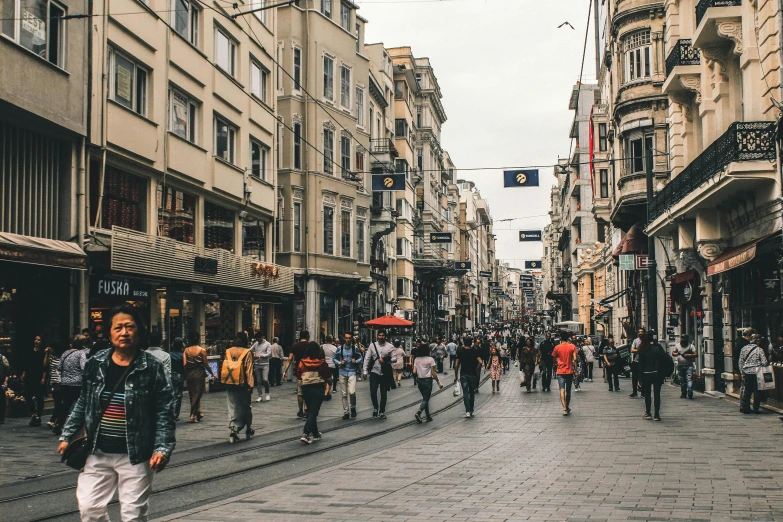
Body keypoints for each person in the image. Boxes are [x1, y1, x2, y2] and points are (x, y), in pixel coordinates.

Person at [58, 305, 175, 521]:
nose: (124, 332)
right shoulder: (96, 363)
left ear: (139, 331)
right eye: (118, 327)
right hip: (97, 451)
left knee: (133, 514)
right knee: (89, 507)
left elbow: (164, 411)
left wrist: (162, 448)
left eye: (129, 327)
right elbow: (84, 401)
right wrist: (67, 435)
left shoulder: (152, 367)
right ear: (109, 333)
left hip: (136, 454)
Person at [222, 332, 255, 442]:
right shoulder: (247, 352)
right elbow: (249, 370)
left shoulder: (228, 351)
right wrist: (251, 385)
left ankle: (233, 431)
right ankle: (248, 428)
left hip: (230, 382)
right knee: (246, 406)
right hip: (243, 384)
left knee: (232, 406)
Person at [297, 342, 331, 444]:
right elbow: (328, 377)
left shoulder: (302, 362)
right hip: (318, 387)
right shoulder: (321, 363)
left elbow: (299, 375)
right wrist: (329, 384)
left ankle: (315, 433)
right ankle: (305, 434)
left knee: (311, 410)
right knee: (313, 412)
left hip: (306, 387)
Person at [363, 330, 397, 419]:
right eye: (380, 335)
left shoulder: (390, 346)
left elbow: (394, 358)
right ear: (377, 336)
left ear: (385, 336)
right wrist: (365, 371)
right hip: (374, 371)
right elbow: (367, 358)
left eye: (383, 335)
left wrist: (385, 359)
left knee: (383, 393)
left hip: (385, 372)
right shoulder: (372, 345)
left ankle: (382, 411)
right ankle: (375, 407)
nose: (381, 337)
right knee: (373, 391)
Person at [57, 336, 89, 430]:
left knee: (65, 405)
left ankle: (59, 424)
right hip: (77, 383)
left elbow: (59, 367)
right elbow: (83, 368)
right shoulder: (81, 354)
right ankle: (82, 425)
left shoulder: (65, 353)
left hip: (65, 383)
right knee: (81, 405)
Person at [184, 331, 215, 423]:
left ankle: (198, 412)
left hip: (189, 373)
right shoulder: (202, 350)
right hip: (199, 373)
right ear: (198, 339)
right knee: (197, 394)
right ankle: (192, 415)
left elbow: (185, 363)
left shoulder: (186, 350)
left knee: (192, 394)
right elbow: (206, 365)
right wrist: (212, 373)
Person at [637, 332, 666, 421]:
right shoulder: (658, 347)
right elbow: (664, 359)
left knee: (647, 394)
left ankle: (648, 412)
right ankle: (657, 414)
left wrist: (639, 378)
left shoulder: (642, 348)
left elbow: (640, 364)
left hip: (646, 374)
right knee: (657, 394)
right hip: (657, 373)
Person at [334, 332, 363, 420]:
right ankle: (346, 412)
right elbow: (334, 358)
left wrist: (356, 361)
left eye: (349, 338)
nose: (348, 339)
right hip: (342, 372)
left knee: (352, 392)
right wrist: (340, 362)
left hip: (352, 372)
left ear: (351, 339)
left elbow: (361, 357)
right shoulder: (340, 348)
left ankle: (353, 407)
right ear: (344, 338)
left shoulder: (355, 348)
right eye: (346, 338)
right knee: (344, 394)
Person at [284, 331, 311, 419]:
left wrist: (285, 371)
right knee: (308, 391)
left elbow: (289, 359)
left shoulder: (295, 346)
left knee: (300, 392)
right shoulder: (311, 345)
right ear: (307, 336)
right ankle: (307, 409)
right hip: (309, 371)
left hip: (299, 371)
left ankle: (300, 410)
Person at [738, 333, 768, 414]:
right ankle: (755, 408)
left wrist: (742, 373)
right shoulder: (759, 349)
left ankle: (745, 407)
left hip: (747, 372)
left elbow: (741, 362)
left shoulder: (744, 349)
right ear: (757, 341)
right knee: (757, 390)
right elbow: (764, 362)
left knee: (747, 390)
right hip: (757, 372)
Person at [453, 337, 482, 418]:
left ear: (464, 343)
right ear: (471, 343)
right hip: (472, 374)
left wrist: (455, 375)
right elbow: (480, 361)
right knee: (471, 392)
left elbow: (456, 365)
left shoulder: (460, 351)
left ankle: (467, 411)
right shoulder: (474, 351)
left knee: (465, 393)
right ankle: (471, 409)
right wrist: (476, 369)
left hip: (463, 375)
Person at [413, 344, 443, 423]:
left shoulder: (416, 359)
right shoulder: (430, 359)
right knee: (426, 399)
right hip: (427, 380)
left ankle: (428, 416)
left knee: (425, 399)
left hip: (419, 380)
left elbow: (414, 371)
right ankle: (418, 412)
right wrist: (439, 382)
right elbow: (433, 373)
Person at [552, 332, 578, 416]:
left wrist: (555, 365)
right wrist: (576, 369)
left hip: (560, 371)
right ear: (568, 338)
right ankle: (567, 406)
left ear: (560, 338)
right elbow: (575, 359)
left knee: (561, 389)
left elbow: (554, 357)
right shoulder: (572, 347)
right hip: (569, 371)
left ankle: (564, 409)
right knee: (568, 390)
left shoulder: (557, 347)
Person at [671, 334, 697, 399]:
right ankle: (684, 393)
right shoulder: (677, 345)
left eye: (684, 338)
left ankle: (690, 391)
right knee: (682, 380)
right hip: (680, 365)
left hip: (689, 365)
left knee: (689, 379)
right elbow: (673, 353)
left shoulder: (691, 346)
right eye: (682, 338)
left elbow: (696, 354)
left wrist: (688, 355)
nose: (683, 340)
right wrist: (677, 353)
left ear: (687, 339)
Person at [46, 340, 64, 432]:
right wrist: (47, 354)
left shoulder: (62, 358)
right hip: (53, 381)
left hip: (61, 381)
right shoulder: (51, 357)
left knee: (58, 402)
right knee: (58, 402)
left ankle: (54, 420)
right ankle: (57, 420)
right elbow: (46, 365)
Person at [249, 333, 272, 402]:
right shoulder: (256, 344)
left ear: (262, 337)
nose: (257, 340)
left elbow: (269, 353)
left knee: (265, 379)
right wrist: (252, 354)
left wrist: (259, 356)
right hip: (257, 364)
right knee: (258, 381)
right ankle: (260, 396)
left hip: (265, 364)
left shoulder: (268, 344)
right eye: (256, 339)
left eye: (258, 339)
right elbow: (250, 350)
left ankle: (267, 393)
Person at [168, 337, 186, 421]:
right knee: (178, 395)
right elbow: (185, 365)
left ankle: (169, 412)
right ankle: (175, 414)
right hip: (179, 375)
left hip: (170, 375)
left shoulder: (169, 354)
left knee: (170, 394)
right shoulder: (183, 355)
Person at [629, 328, 645, 398]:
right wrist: (639, 350)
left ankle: (643, 392)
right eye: (639, 332)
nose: (640, 333)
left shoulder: (646, 341)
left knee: (643, 377)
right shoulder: (635, 341)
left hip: (644, 362)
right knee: (634, 377)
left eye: (642, 332)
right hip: (636, 361)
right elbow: (632, 350)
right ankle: (634, 392)